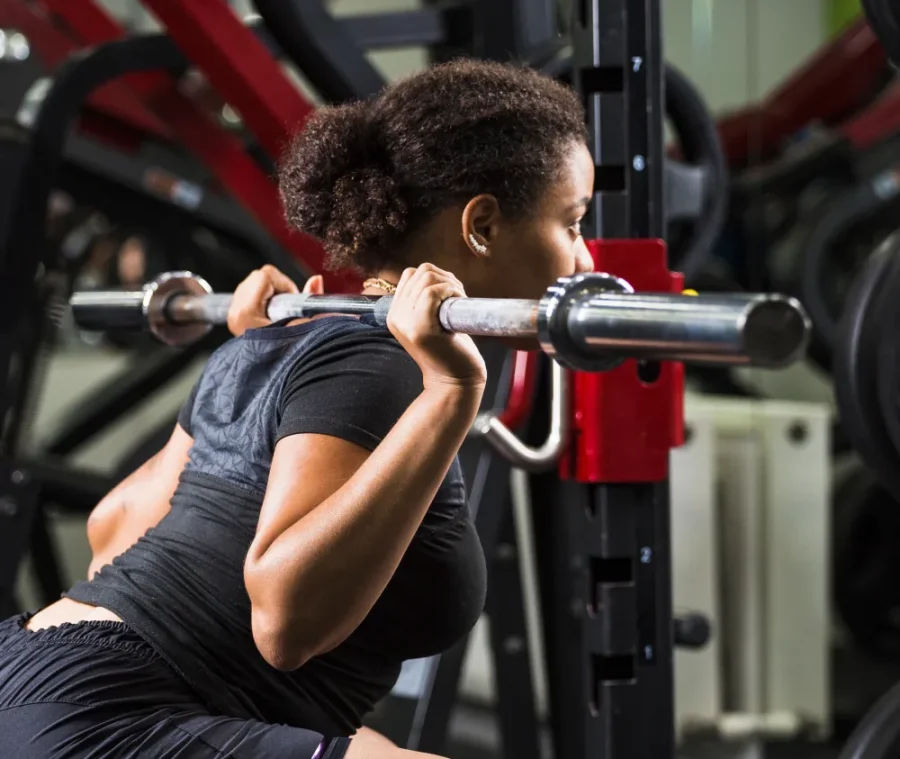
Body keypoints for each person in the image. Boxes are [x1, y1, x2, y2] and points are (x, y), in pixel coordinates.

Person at [0, 59, 594, 758]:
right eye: (572, 223)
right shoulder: (389, 365)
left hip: (30, 671)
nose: (584, 263)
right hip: (106, 715)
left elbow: (116, 531)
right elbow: (283, 622)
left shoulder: (283, 343)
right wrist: (451, 394)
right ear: (483, 226)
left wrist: (239, 363)